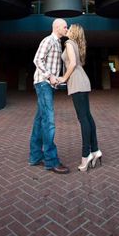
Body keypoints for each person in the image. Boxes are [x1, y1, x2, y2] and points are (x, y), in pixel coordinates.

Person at [58, 24, 102, 172]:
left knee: (83, 119)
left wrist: (63, 78)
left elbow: (73, 63)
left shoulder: (69, 43)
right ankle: (95, 150)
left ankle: (86, 156)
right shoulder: (76, 44)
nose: (67, 29)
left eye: (69, 28)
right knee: (87, 117)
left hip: (77, 82)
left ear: (74, 32)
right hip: (82, 80)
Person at [28, 19, 69, 174]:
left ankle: (35, 157)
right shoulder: (48, 40)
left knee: (40, 121)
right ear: (57, 27)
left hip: (49, 85)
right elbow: (37, 59)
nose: (67, 28)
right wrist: (50, 76)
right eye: (65, 26)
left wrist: (58, 79)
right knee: (49, 122)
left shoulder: (58, 43)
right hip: (43, 83)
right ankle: (51, 161)